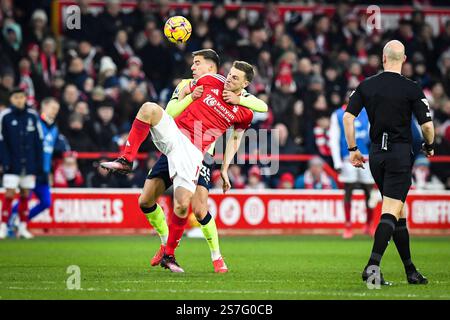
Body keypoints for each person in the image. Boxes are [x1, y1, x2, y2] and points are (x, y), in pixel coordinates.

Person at [101, 60, 260, 273]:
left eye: (235, 78)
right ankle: (126, 159)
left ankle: (170, 254)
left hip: (194, 152)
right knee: (149, 108)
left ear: (246, 84)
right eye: (229, 74)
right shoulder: (211, 81)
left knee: (184, 204)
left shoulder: (245, 112)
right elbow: (176, 102)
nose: (229, 79)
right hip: (175, 135)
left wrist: (223, 169)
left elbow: (236, 139)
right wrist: (187, 91)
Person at [344, 40, 434, 286]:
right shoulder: (412, 88)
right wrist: (430, 145)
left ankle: (410, 270)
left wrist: (353, 149)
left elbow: (348, 117)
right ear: (403, 60)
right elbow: (427, 125)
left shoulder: (366, 85)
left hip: (376, 157)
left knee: (397, 212)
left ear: (383, 58)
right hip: (399, 155)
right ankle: (372, 268)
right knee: (390, 211)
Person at [10, 97, 70, 225]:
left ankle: (20, 223)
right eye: (53, 108)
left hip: (44, 171)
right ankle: (8, 220)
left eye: (57, 110)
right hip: (31, 169)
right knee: (25, 198)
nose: (55, 112)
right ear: (44, 107)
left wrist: (50, 171)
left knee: (46, 202)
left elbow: (52, 151)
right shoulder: (34, 123)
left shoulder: (54, 127)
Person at [330, 96, 376, 239]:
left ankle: (369, 224)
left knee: (369, 190)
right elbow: (334, 139)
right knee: (348, 189)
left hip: (366, 157)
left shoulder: (368, 113)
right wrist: (337, 162)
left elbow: (373, 135)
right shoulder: (338, 114)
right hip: (347, 158)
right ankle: (348, 225)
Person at [0, 88, 43, 239]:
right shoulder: (4, 116)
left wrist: (39, 163)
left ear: (25, 98)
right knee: (10, 193)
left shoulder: (32, 116)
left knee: (25, 194)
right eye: (16, 97)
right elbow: (1, 141)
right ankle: (3, 226)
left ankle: (23, 227)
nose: (19, 100)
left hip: (29, 163)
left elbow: (38, 141)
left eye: (22, 97)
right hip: (11, 163)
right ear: (11, 99)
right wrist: (4, 162)